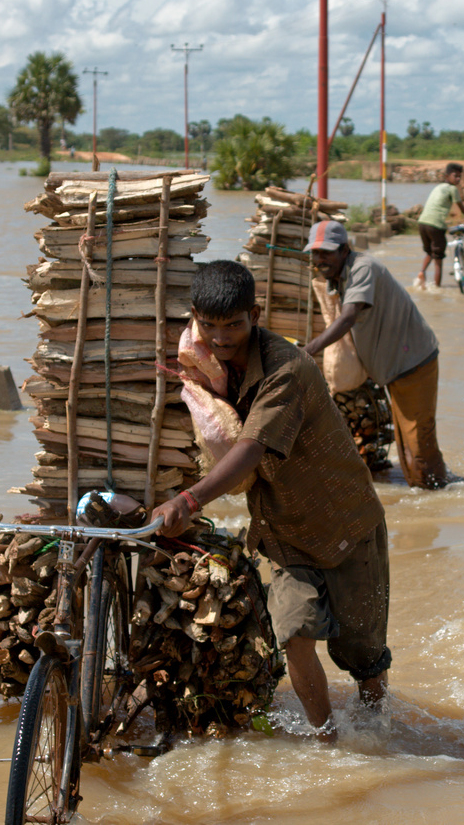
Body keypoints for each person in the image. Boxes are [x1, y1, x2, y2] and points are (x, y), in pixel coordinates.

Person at [152, 260, 391, 741]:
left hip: (344, 524)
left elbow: (250, 449)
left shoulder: (288, 369)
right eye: (211, 326)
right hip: (283, 530)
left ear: (255, 315)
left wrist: (189, 500)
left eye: (234, 325)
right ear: (195, 318)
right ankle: (328, 739)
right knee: (293, 633)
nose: (221, 337)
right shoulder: (205, 364)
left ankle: (378, 735)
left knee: (364, 659)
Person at [302, 220, 452, 491]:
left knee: (419, 447)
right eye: (315, 253)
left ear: (344, 249)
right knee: (408, 444)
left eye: (326, 252)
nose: (319, 259)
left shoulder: (362, 268)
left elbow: (348, 317)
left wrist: (308, 350)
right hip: (396, 369)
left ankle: (438, 499)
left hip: (414, 363)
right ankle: (429, 494)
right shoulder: (338, 277)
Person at [414, 162, 464, 288]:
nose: (458, 179)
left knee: (430, 252)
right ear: (447, 176)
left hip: (422, 223)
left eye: (460, 176)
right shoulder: (453, 189)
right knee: (439, 259)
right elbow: (463, 210)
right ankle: (437, 288)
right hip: (435, 225)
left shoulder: (438, 187)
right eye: (455, 176)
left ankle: (422, 272)